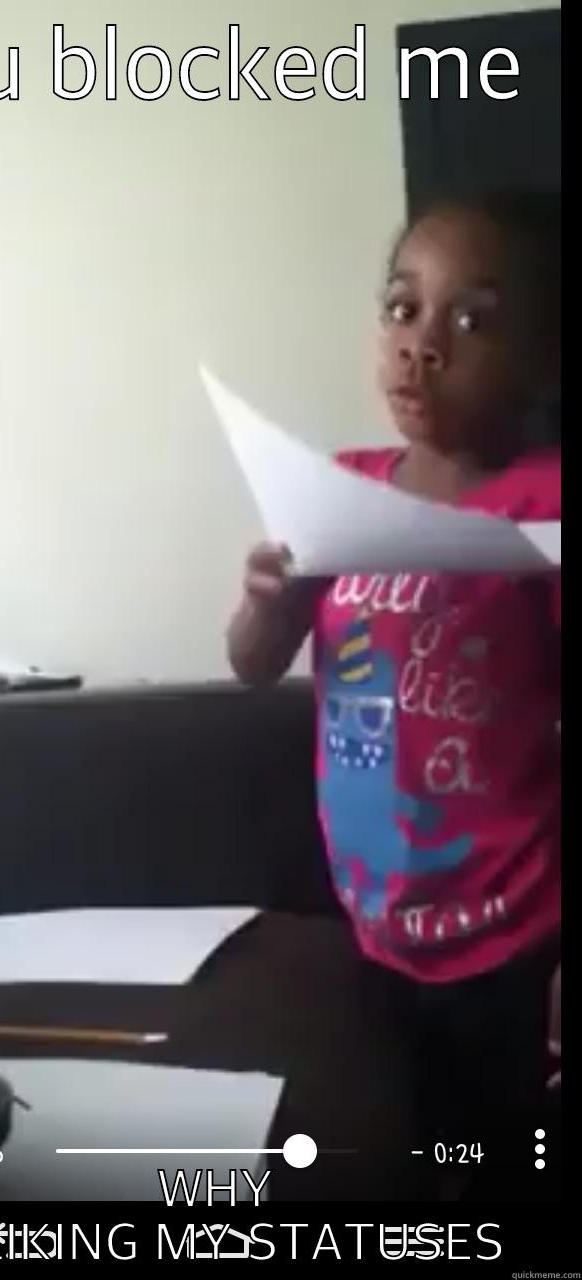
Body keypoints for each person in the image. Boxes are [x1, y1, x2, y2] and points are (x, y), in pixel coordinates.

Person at [227, 191, 561, 1200]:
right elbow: (253, 662)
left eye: (472, 319)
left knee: (499, 1176)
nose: (424, 344)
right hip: (369, 924)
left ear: (541, 359)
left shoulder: (545, 505)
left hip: (511, 932)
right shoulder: (341, 489)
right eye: (403, 308)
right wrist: (270, 601)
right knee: (390, 1164)